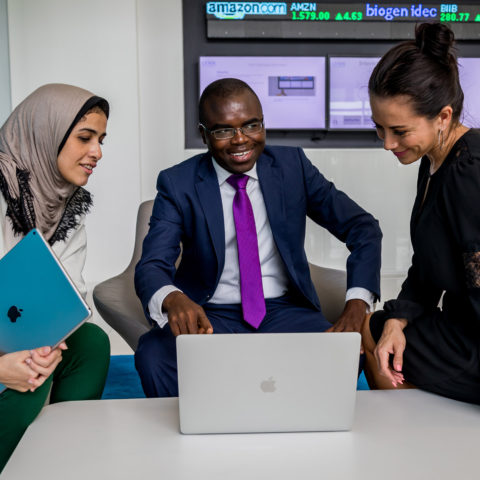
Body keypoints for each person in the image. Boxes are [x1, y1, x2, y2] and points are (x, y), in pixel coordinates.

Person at [135, 78, 382, 397]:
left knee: (343, 351)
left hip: (285, 309)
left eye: (251, 125)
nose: (240, 140)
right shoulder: (178, 183)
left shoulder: (292, 166)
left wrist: (357, 304)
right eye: (223, 130)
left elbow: (362, 228)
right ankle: (189, 439)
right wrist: (173, 297)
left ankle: (299, 436)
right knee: (154, 356)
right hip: (211, 315)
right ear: (204, 134)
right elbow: (152, 265)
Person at [362, 22, 480, 405]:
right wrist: (399, 318)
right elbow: (428, 264)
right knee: (380, 328)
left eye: (399, 131)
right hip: (461, 326)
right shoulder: (433, 161)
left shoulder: (468, 172)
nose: (387, 144)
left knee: (371, 334)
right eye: (379, 129)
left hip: (472, 343)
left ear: (443, 117)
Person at [0, 83, 111, 470]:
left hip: (17, 336)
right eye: (85, 137)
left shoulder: (66, 206)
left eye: (100, 139)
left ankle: (61, 460)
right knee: (29, 376)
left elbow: (68, 293)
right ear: (45, 133)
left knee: (90, 343)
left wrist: (51, 339)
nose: (97, 152)